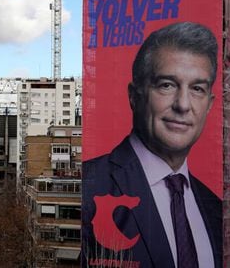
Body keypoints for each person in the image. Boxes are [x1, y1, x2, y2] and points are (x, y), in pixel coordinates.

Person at [82, 22, 222, 268]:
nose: (183, 105)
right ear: (134, 96)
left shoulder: (215, 208)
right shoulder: (88, 185)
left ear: (209, 105)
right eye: (167, 85)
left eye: (197, 89)